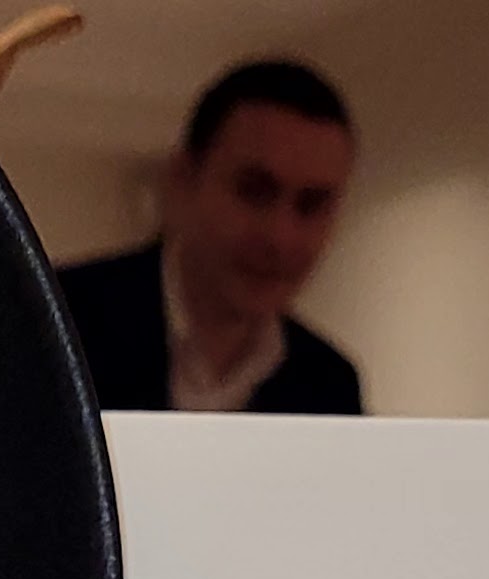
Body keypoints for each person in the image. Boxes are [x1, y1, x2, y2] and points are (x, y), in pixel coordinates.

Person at [55, 59, 364, 416]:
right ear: (184, 179)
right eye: (254, 191)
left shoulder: (330, 384)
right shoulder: (57, 322)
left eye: (312, 205)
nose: (280, 236)